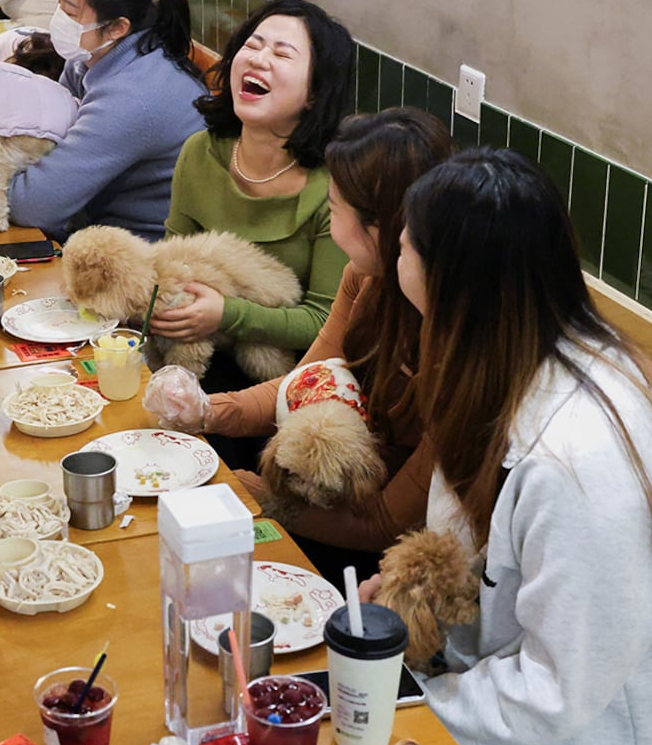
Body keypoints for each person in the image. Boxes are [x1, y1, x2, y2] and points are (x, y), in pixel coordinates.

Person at [371, 147, 652, 745]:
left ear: (448, 278)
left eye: (403, 245)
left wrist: (411, 704)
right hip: (549, 708)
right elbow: (487, 562)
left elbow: (556, 693)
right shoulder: (516, 357)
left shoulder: (578, 464)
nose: (394, 256)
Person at [151, 109, 454, 576]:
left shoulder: (456, 345)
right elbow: (301, 383)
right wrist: (206, 411)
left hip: (384, 551)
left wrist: (248, 492)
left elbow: (386, 522)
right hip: (327, 503)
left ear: (384, 225)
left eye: (333, 209)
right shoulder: (365, 279)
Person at [152, 0, 355, 394]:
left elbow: (325, 321)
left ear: (314, 92)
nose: (259, 59)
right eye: (253, 44)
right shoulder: (200, 152)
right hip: (195, 356)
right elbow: (172, 262)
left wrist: (226, 314)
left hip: (294, 382)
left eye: (282, 53)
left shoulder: (335, 184)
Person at [7, 0, 206, 240]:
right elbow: (42, 133)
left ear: (117, 29)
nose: (59, 19)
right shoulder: (89, 58)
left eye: (70, 11)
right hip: (94, 228)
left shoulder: (134, 98)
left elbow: (32, 206)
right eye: (59, 5)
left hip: (141, 257)